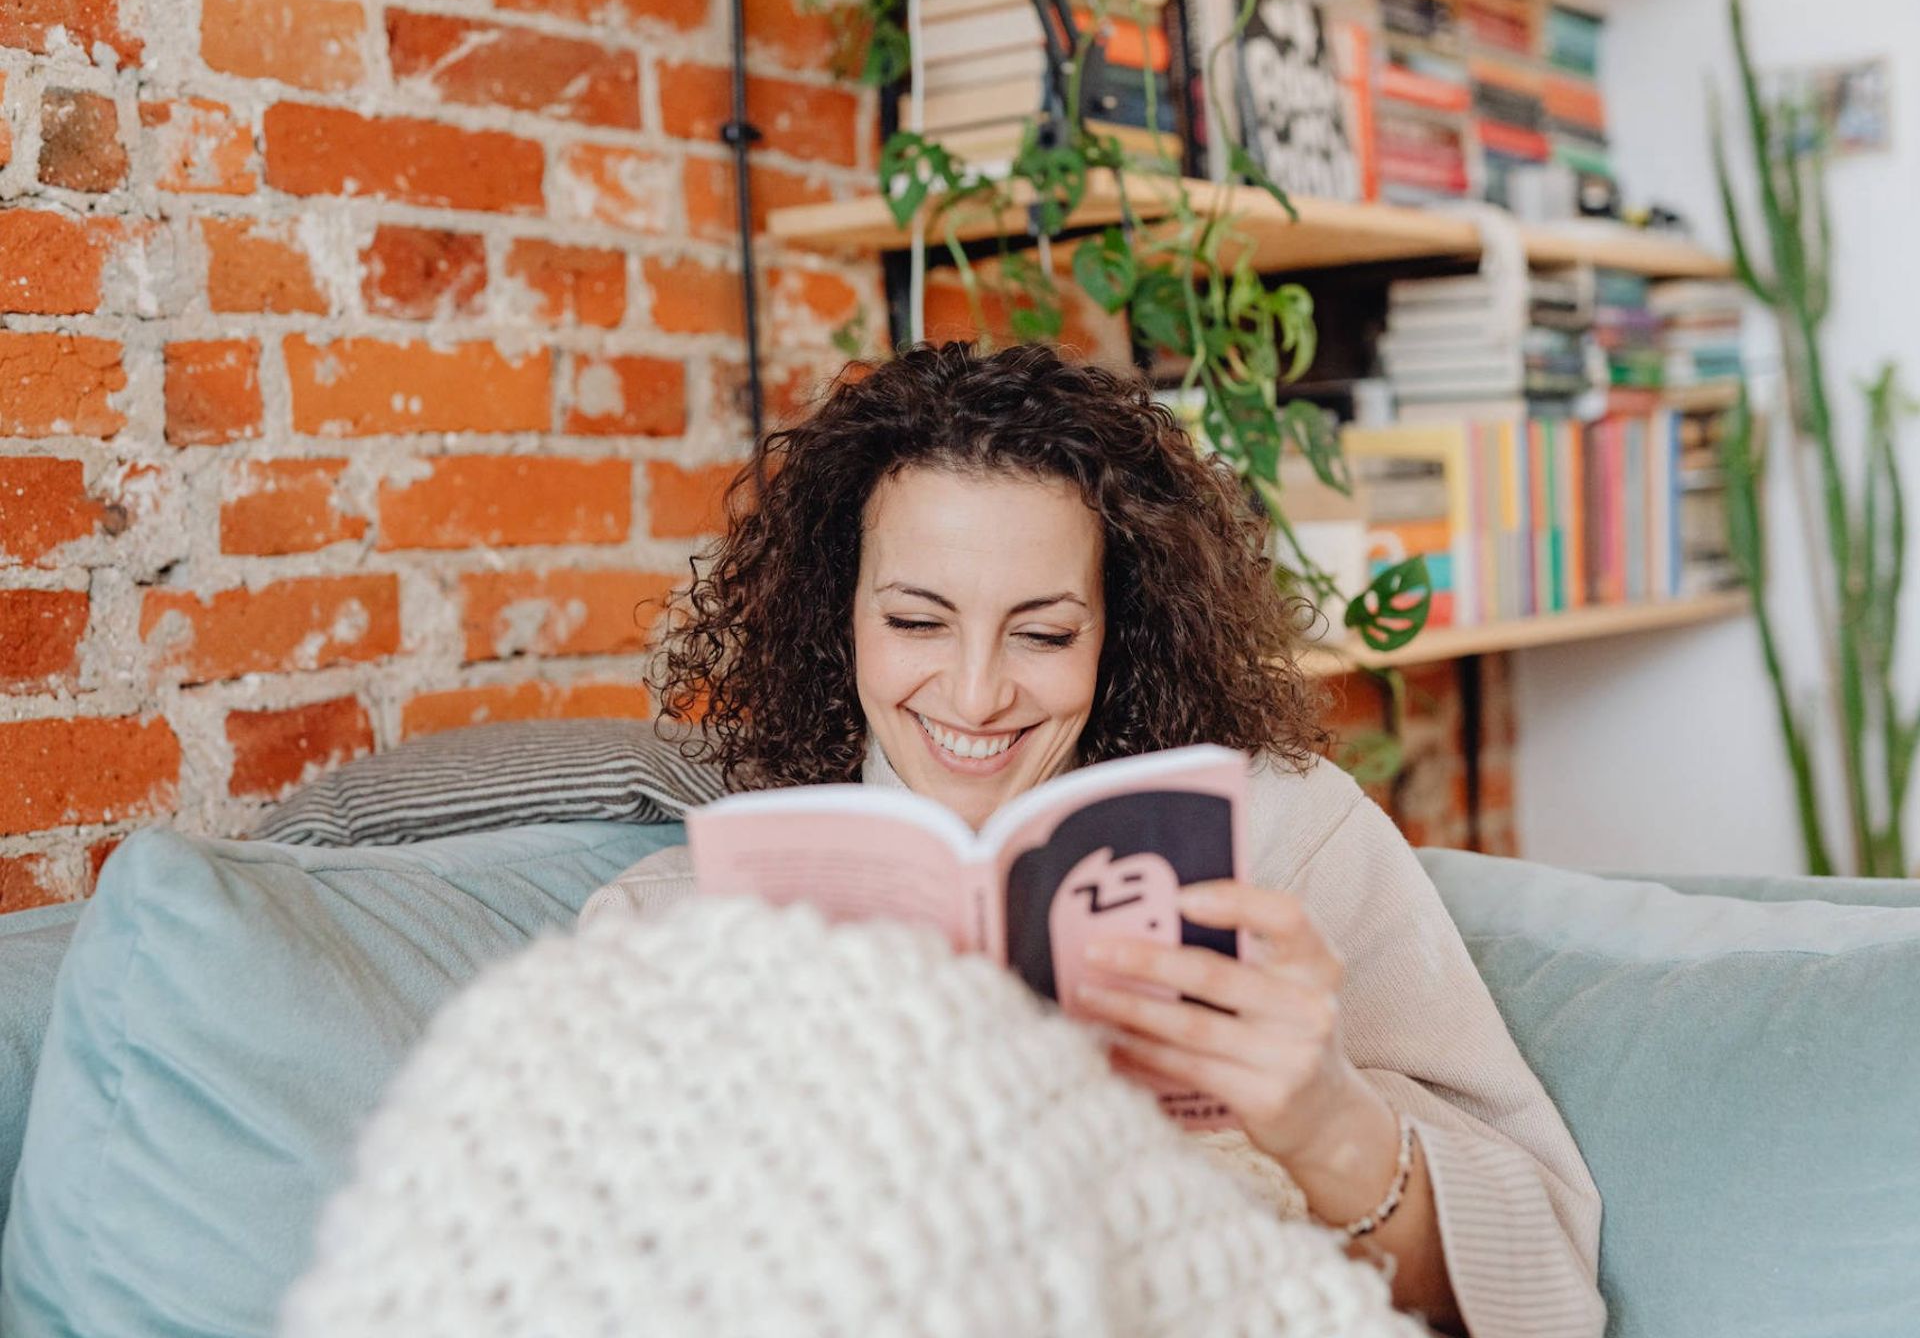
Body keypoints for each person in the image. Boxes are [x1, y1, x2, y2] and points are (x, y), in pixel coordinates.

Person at [581, 341, 1604, 1337]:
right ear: (836, 614)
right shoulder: (676, 920)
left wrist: (1331, 1124)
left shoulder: (1288, 833)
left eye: (1044, 633)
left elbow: (1547, 1283)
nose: (976, 695)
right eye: (917, 622)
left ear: (1120, 629)